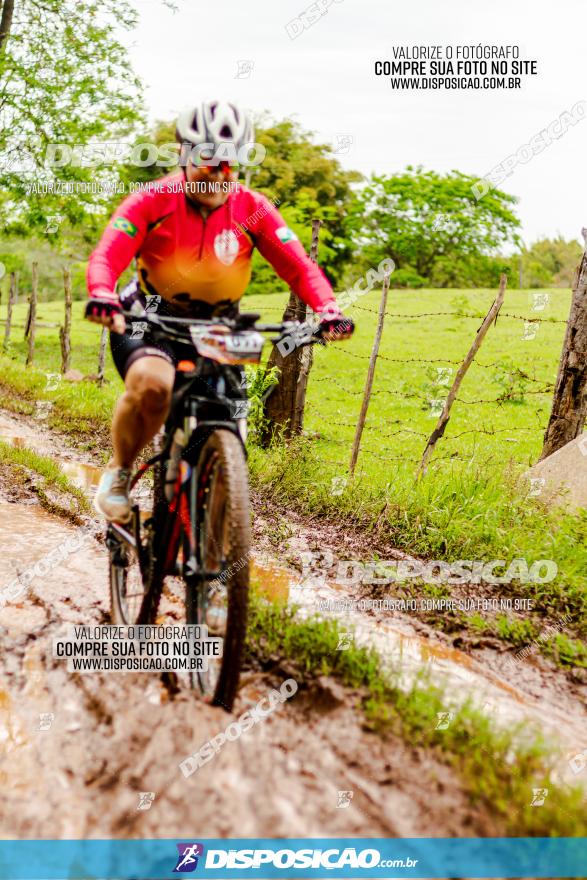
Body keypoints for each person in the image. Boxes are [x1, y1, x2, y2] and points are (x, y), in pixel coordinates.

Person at [86, 99, 354, 523]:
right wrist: (101, 293)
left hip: (217, 323)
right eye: (206, 160)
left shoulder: (253, 208)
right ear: (183, 155)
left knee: (229, 410)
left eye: (228, 163)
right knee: (154, 387)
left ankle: (210, 511)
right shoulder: (152, 200)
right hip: (150, 315)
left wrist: (327, 308)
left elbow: (300, 267)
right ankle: (118, 475)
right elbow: (108, 254)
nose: (216, 173)